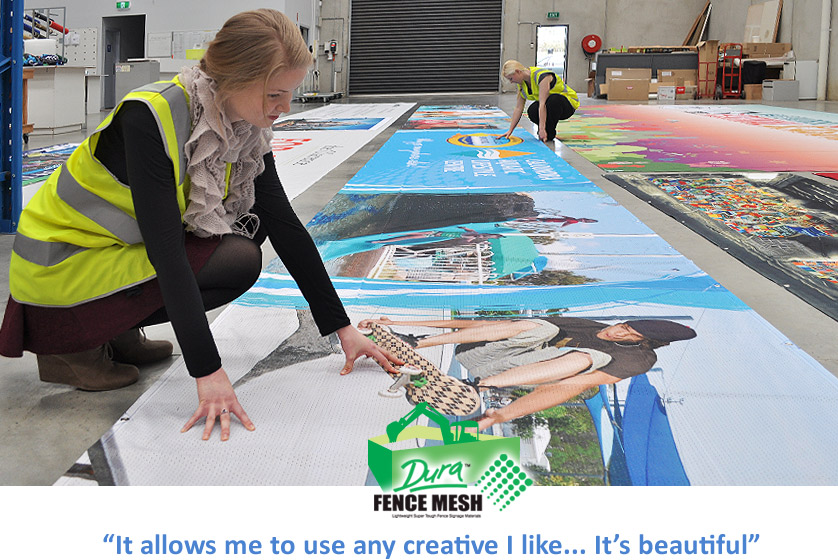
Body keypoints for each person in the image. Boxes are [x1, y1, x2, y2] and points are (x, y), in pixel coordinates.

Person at [0, 9, 400, 441]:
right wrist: (208, 371)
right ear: (235, 78)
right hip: (62, 262)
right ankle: (73, 344)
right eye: (274, 95)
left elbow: (285, 224)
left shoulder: (243, 127)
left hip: (111, 253)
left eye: (289, 94)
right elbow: (167, 252)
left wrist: (341, 328)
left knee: (250, 231)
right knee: (235, 258)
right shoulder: (149, 117)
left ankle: (114, 327)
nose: (285, 109)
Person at [359, 316, 696, 431]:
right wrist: (409, 328)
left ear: (644, 343)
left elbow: (568, 388)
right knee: (542, 326)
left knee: (586, 359)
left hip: (499, 375)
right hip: (483, 354)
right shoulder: (597, 326)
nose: (615, 333)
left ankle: (476, 387)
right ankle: (415, 343)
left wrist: (500, 415)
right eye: (622, 325)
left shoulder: (639, 361)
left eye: (627, 335)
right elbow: (491, 327)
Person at [500, 60, 579, 142]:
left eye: (511, 78)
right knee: (532, 110)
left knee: (553, 101)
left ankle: (549, 133)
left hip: (567, 104)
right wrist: (510, 130)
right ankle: (546, 130)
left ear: (518, 71)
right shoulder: (522, 85)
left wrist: (541, 128)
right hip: (549, 105)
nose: (511, 82)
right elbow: (518, 108)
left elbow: (542, 104)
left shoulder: (542, 77)